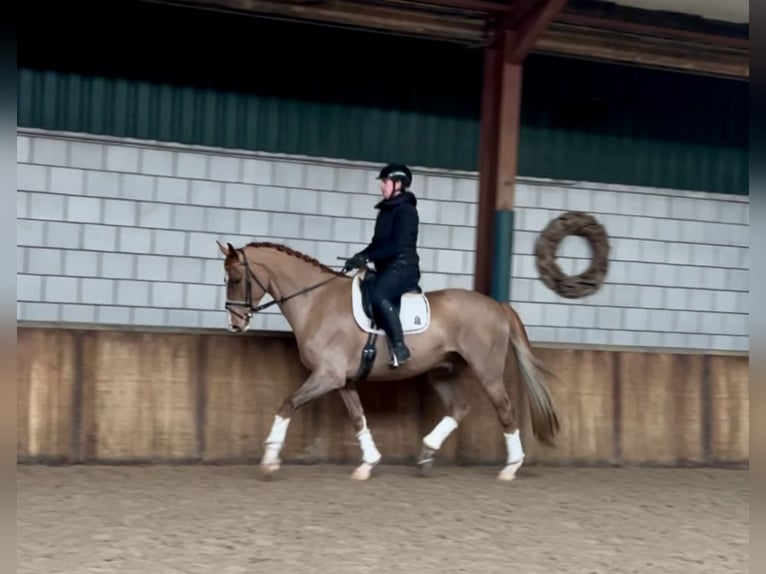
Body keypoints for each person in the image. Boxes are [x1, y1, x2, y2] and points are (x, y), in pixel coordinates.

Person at [344, 162, 421, 367]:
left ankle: (399, 347)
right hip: (387, 267)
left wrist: (368, 258)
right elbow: (377, 244)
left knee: (379, 295)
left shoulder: (406, 211)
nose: (382, 186)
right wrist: (358, 257)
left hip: (403, 268)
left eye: (385, 182)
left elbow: (396, 246)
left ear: (398, 184)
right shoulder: (386, 211)